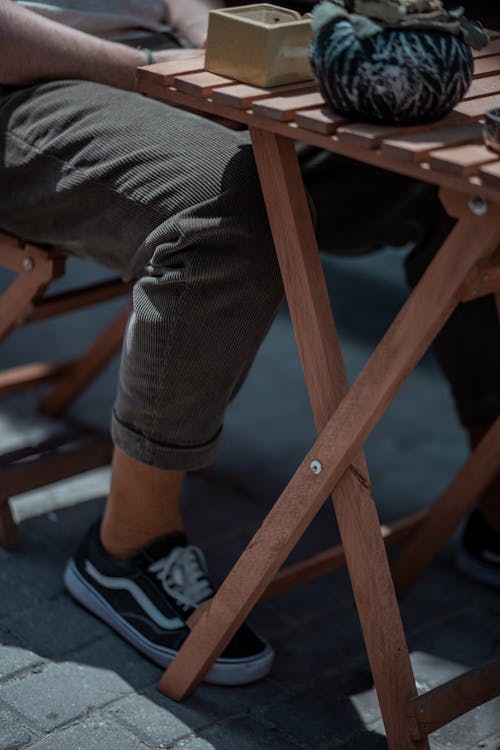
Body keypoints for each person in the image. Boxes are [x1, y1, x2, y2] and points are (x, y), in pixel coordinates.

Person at [0, 0, 498, 686]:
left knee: (452, 180)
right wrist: (151, 68)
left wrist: (219, 47)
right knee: (226, 210)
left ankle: (494, 497)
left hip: (173, 68)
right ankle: (125, 546)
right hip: (26, 91)